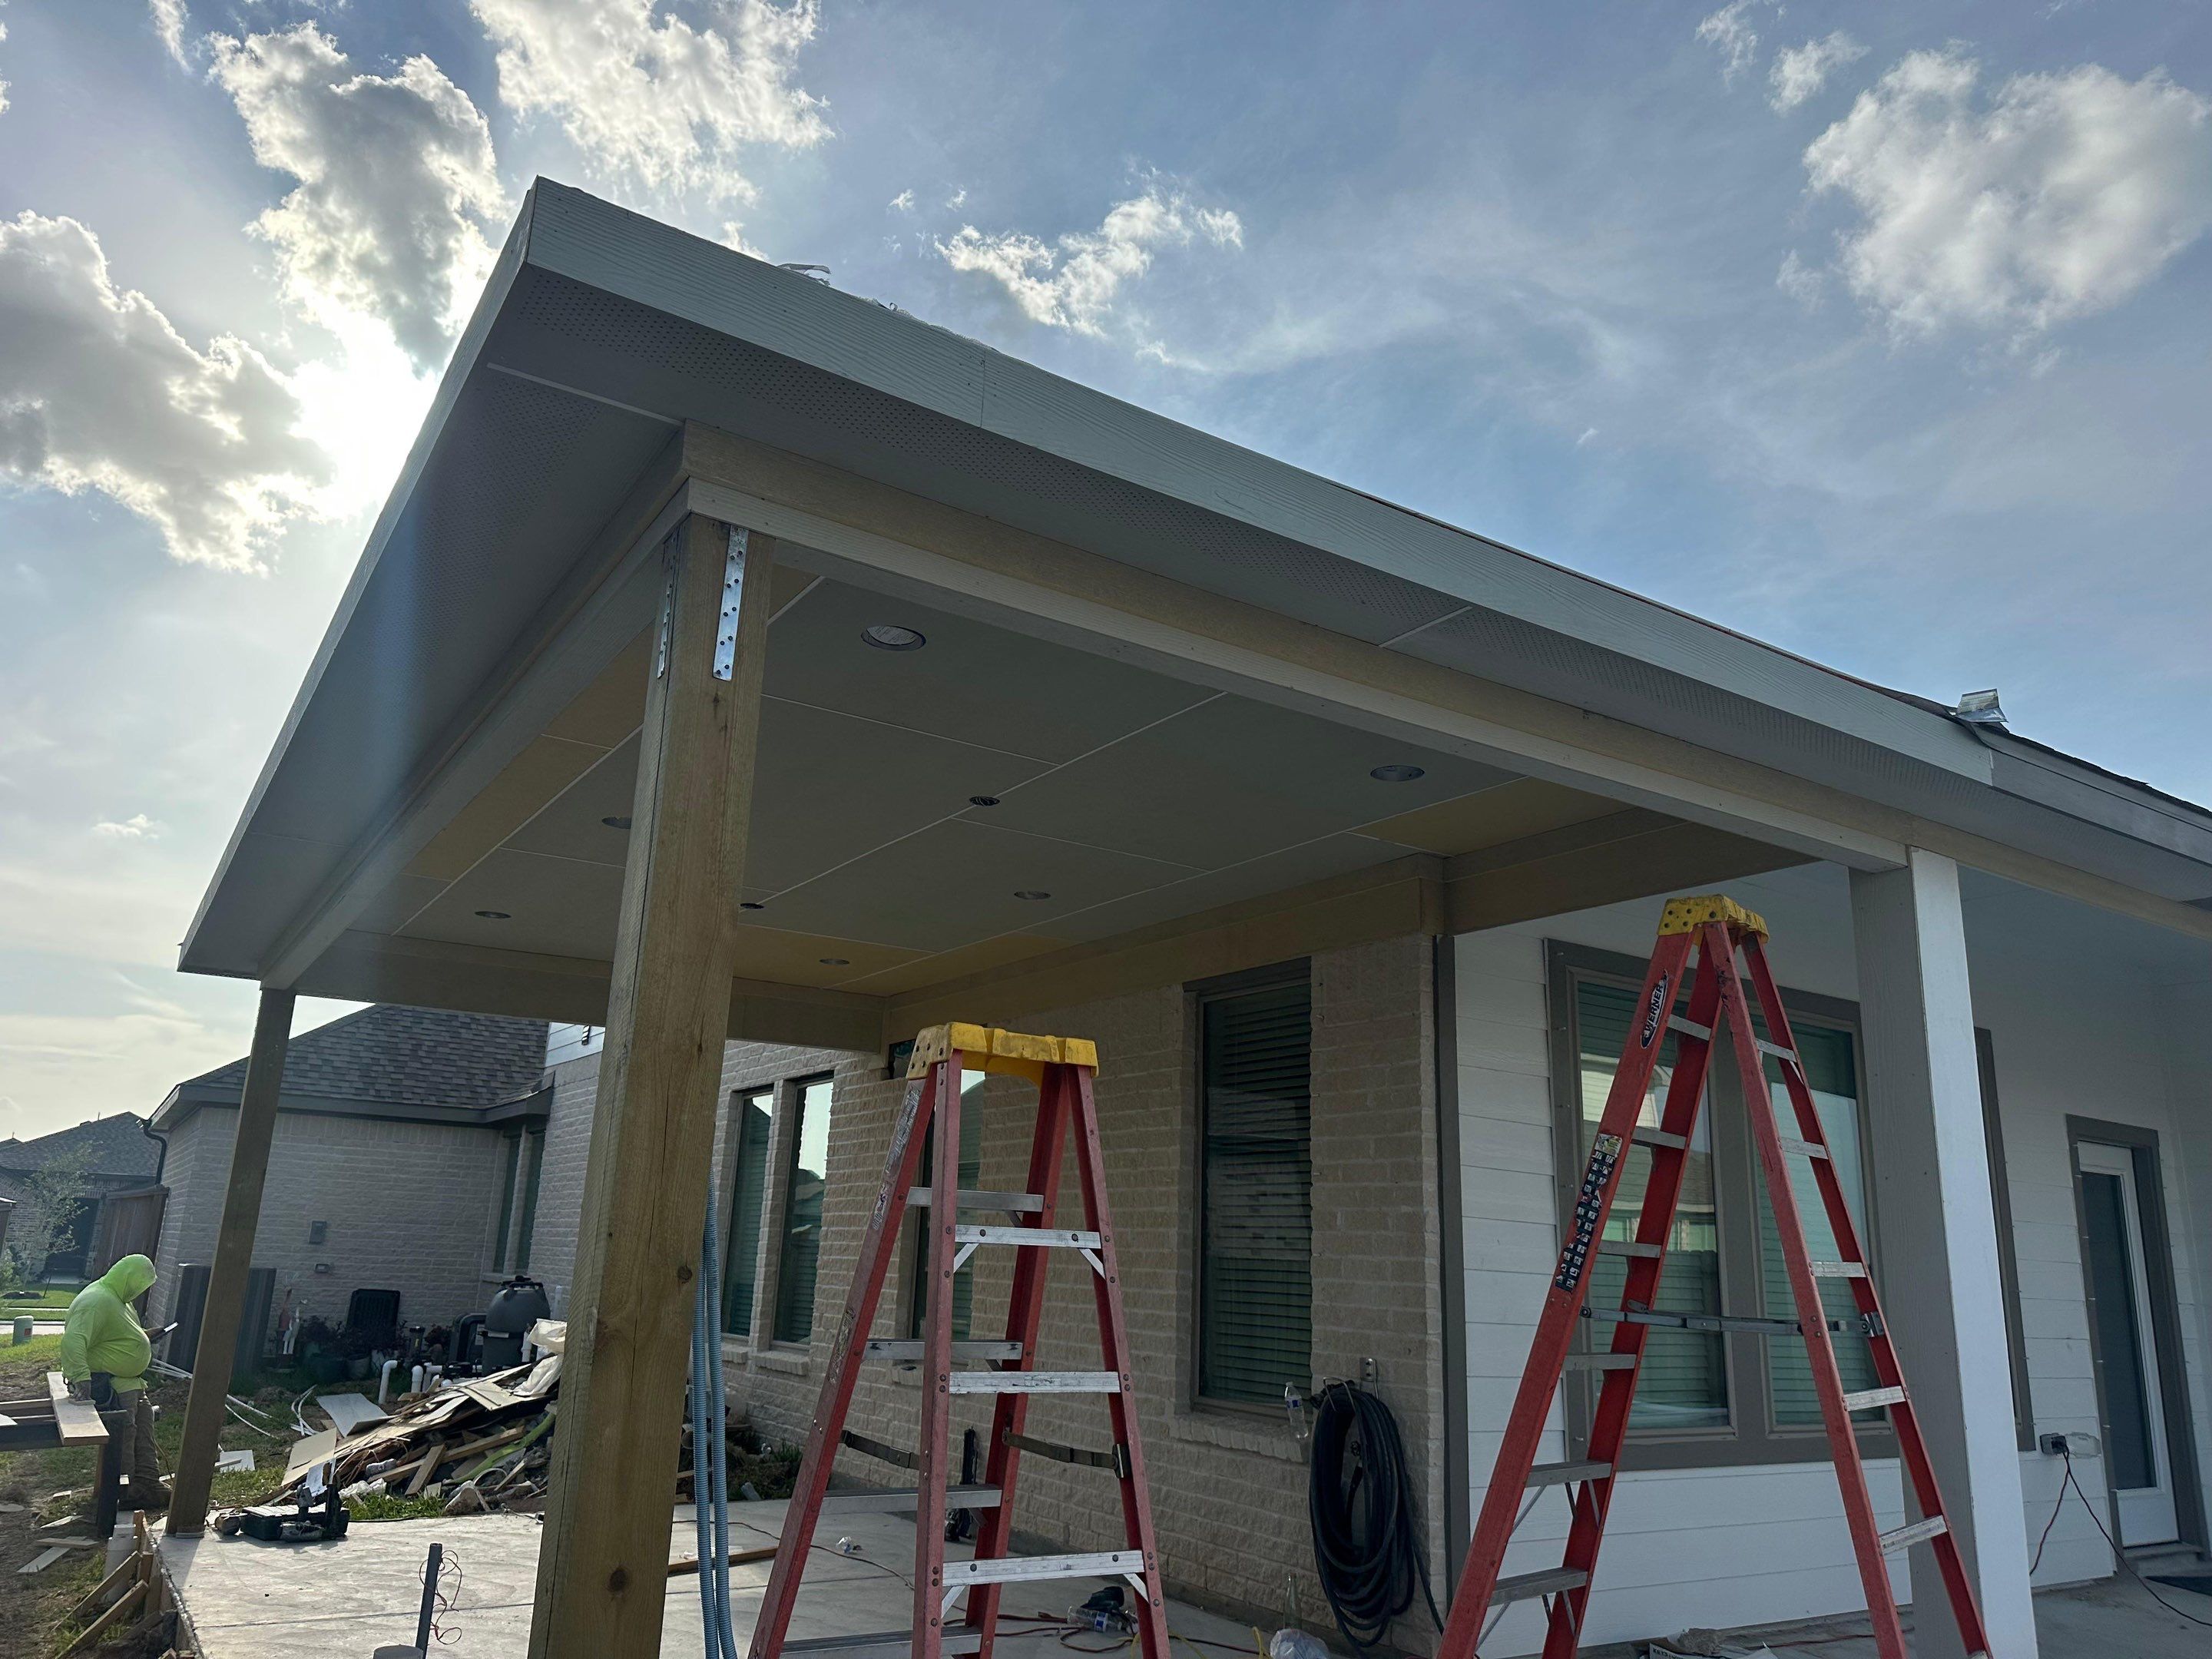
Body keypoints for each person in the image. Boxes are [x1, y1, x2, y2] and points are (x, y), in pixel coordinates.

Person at [58, 1254, 166, 1512]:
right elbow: (73, 1341)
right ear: (127, 1278)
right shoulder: (95, 1300)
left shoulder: (120, 1300)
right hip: (112, 1384)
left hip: (130, 1383)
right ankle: (124, 1492)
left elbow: (117, 1334)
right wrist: (82, 1382)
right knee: (125, 1435)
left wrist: (144, 1338)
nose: (140, 1292)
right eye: (140, 1285)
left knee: (143, 1430)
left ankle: (149, 1483)